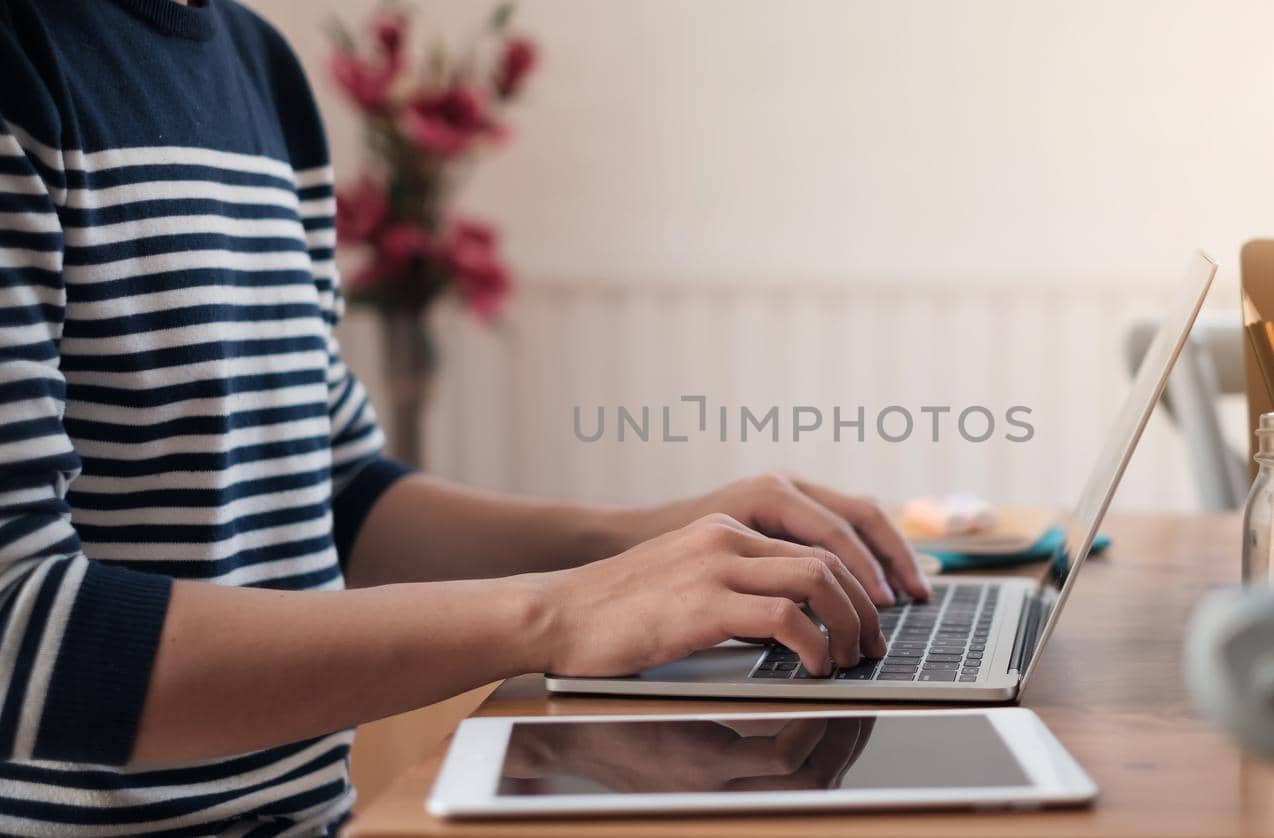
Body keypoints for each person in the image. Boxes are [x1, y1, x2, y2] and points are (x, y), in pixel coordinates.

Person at [0, 1, 926, 833]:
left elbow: (334, 491)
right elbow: (22, 638)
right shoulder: (24, 62)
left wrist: (647, 541)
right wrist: (552, 616)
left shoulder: (259, 69)